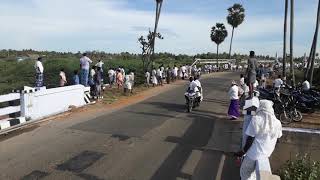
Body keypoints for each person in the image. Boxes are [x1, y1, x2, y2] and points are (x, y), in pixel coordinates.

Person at [236, 100, 282, 180]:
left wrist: (243, 151)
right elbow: (278, 139)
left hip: (253, 154)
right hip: (267, 154)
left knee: (244, 172)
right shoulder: (277, 123)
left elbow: (250, 139)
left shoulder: (256, 119)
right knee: (253, 174)